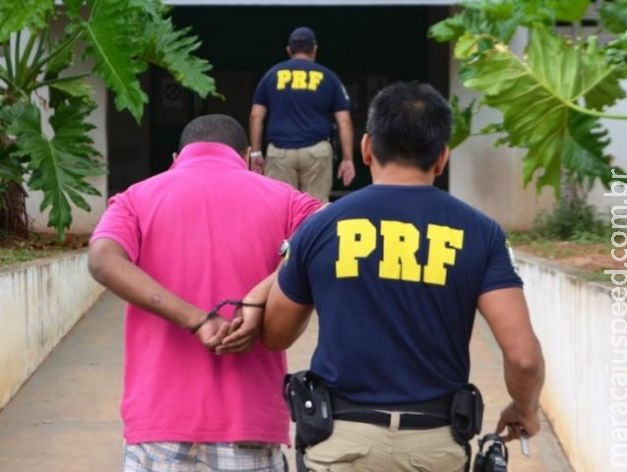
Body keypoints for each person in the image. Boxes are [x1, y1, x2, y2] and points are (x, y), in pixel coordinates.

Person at [257, 82, 546, 471]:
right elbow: (524, 359)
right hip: (435, 446)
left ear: (365, 148)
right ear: (442, 158)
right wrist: (524, 409)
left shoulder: (321, 228)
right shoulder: (481, 233)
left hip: (340, 446)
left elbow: (275, 334)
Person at [87, 114, 322, 472]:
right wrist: (264, 291)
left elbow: (102, 259)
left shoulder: (137, 198)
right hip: (248, 420)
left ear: (175, 159)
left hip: (158, 421)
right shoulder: (287, 200)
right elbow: (330, 238)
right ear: (246, 158)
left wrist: (196, 320)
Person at [249, 26, 355, 202]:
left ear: (289, 50)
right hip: (316, 152)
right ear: (315, 49)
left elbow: (255, 116)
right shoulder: (329, 77)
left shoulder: (272, 75)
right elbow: (344, 122)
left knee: (280, 207)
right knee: (315, 209)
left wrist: (256, 153)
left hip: (280, 153)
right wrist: (348, 159)